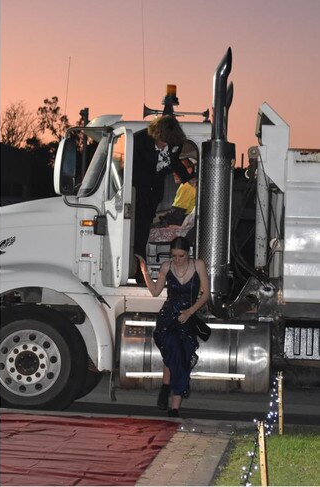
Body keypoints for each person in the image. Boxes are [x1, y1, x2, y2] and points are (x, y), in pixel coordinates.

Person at [136, 236, 210, 417]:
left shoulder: (198, 265)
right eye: (174, 256)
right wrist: (145, 271)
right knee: (173, 354)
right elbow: (155, 292)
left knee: (183, 359)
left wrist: (189, 312)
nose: (177, 260)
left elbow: (205, 294)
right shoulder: (167, 267)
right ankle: (167, 390)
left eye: (181, 256)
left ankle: (173, 404)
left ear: (188, 254)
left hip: (188, 318)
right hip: (168, 319)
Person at [132, 116, 193, 285]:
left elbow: (174, 163)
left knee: (143, 231)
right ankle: (139, 271)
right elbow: (136, 171)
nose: (166, 145)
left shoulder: (175, 143)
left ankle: (140, 269)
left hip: (154, 194)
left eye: (169, 143)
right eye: (162, 142)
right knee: (139, 233)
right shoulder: (139, 141)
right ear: (155, 134)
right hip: (139, 192)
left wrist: (189, 180)